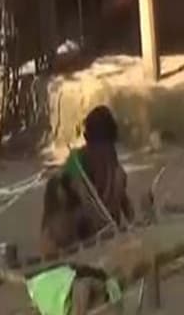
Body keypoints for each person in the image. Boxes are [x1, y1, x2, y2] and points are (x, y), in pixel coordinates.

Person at [40, 106, 134, 256]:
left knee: (55, 185)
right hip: (94, 229)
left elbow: (123, 203)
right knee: (57, 186)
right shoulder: (87, 161)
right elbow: (90, 199)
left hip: (94, 230)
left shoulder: (102, 163)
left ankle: (51, 245)